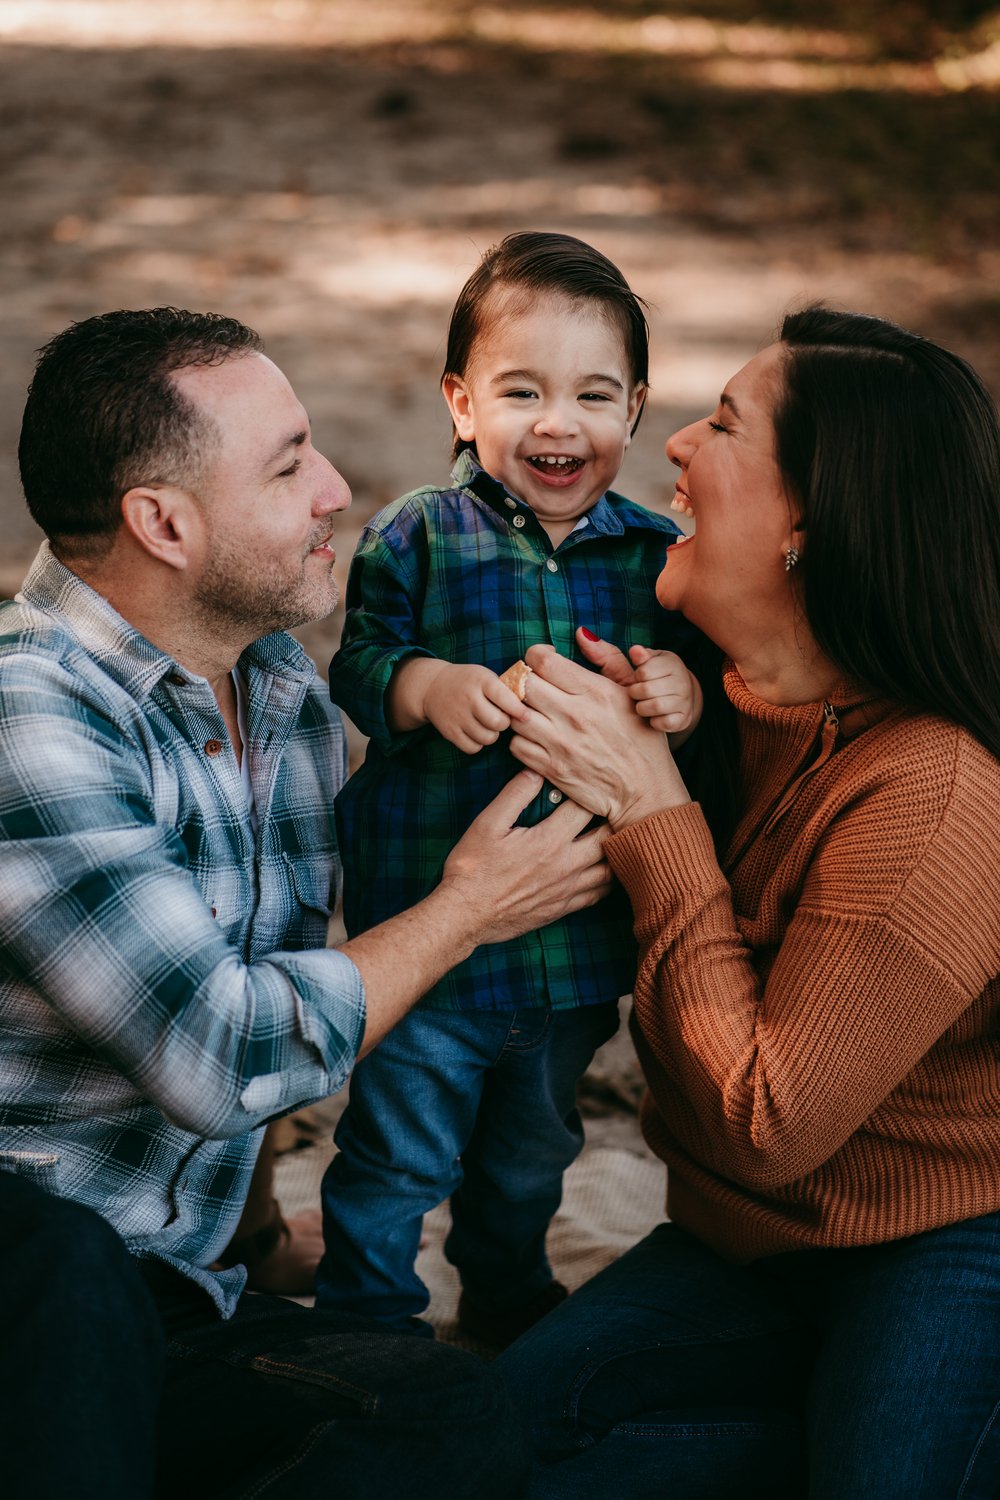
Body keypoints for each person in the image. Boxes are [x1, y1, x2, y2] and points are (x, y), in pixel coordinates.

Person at [0, 306, 612, 1498]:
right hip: (25, 1278)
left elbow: (246, 998)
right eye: (287, 466)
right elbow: (222, 1049)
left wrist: (263, 1244)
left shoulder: (274, 689)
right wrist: (468, 909)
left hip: (162, 1310)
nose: (337, 488)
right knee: (63, 1265)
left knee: (438, 1408)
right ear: (163, 524)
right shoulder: (30, 717)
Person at [493, 307, 1000, 1498]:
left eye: (722, 423)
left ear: (805, 527)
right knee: (486, 1438)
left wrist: (651, 815)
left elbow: (767, 1124)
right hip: (749, 1244)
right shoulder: (704, 690)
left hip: (951, 1238)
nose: (670, 443)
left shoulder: (934, 788)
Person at [315, 232, 703, 1346]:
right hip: (426, 946)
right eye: (520, 389)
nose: (556, 423)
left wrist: (685, 691)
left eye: (591, 394)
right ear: (461, 401)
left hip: (573, 955)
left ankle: (502, 1283)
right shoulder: (415, 538)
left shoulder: (652, 560)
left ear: (632, 408)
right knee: (394, 1148)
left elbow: (700, 701)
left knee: (534, 1153)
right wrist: (423, 686)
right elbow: (358, 664)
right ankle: (367, 1316)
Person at [0, 1172, 165, 1500]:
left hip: (174, 1289)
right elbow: (209, 1117)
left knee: (293, 1403)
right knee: (69, 1247)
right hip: (52, 1257)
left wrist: (262, 1238)